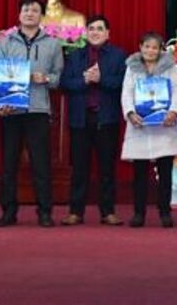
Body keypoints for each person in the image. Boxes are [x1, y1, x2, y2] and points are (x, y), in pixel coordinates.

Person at [0, 0, 64, 228]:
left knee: (41, 163)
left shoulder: (53, 44)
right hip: (11, 109)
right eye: (25, 10)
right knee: (9, 163)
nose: (30, 14)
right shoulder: (5, 42)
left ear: (41, 16)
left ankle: (44, 212)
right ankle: (8, 211)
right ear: (19, 15)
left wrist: (46, 78)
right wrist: (0, 103)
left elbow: (58, 77)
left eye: (34, 10)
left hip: (38, 109)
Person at [59, 14, 126, 226]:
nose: (95, 32)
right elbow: (64, 83)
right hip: (80, 119)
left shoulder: (118, 55)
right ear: (85, 33)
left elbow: (123, 83)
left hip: (107, 119)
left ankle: (108, 212)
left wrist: (101, 79)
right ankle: (75, 212)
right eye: (91, 29)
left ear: (108, 33)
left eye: (99, 29)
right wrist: (84, 80)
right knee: (79, 168)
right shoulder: (74, 55)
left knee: (107, 169)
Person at [121, 31, 177, 228]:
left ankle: (165, 212)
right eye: (147, 46)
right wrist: (131, 113)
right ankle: (139, 213)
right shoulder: (132, 67)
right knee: (139, 174)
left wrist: (173, 111)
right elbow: (126, 92)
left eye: (154, 47)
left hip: (164, 126)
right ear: (140, 47)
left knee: (165, 173)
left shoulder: (170, 67)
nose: (150, 50)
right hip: (139, 126)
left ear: (160, 49)